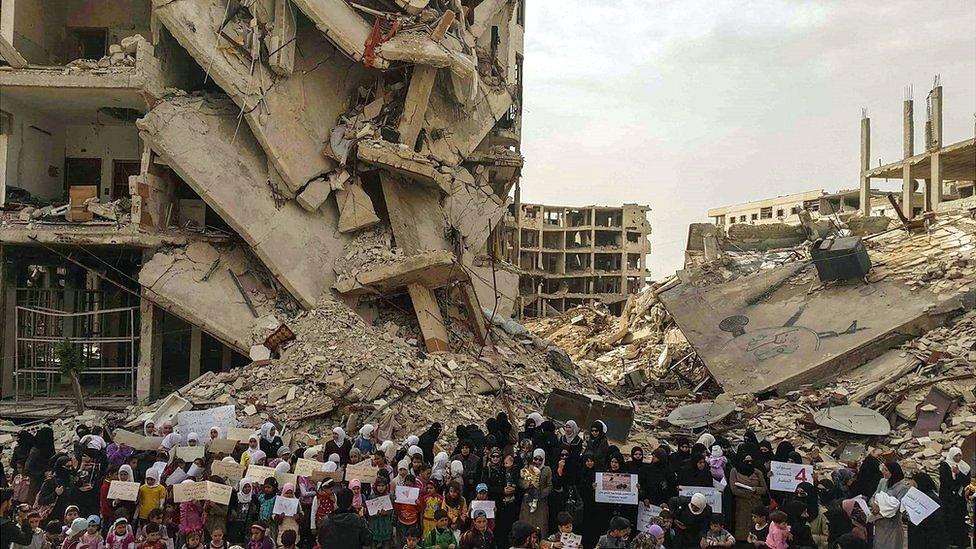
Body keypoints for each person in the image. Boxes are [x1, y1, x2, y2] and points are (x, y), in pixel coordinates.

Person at [937, 447, 970, 547]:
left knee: (959, 519)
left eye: (960, 455)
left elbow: (966, 482)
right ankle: (949, 540)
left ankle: (960, 541)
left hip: (960, 499)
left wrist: (958, 473)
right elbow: (945, 481)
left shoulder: (965, 467)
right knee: (948, 518)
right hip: (948, 498)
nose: (958, 457)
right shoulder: (945, 465)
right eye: (956, 455)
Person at [729, 454, 766, 541]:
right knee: (742, 526)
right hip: (741, 504)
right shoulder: (734, 471)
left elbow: (764, 489)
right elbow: (734, 489)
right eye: (746, 462)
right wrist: (748, 493)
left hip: (755, 503)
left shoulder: (757, 472)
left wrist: (755, 490)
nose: (749, 464)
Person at [907, 472, 948, 549]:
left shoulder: (932, 498)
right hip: (917, 534)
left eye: (914, 485)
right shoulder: (916, 496)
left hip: (929, 536)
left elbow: (936, 519)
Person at [518, 449, 551, 538]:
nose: (538, 461)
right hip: (527, 501)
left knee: (541, 525)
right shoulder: (527, 468)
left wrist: (540, 494)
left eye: (540, 459)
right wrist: (527, 484)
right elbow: (520, 481)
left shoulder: (547, 470)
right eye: (536, 459)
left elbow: (550, 486)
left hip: (541, 502)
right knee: (526, 524)